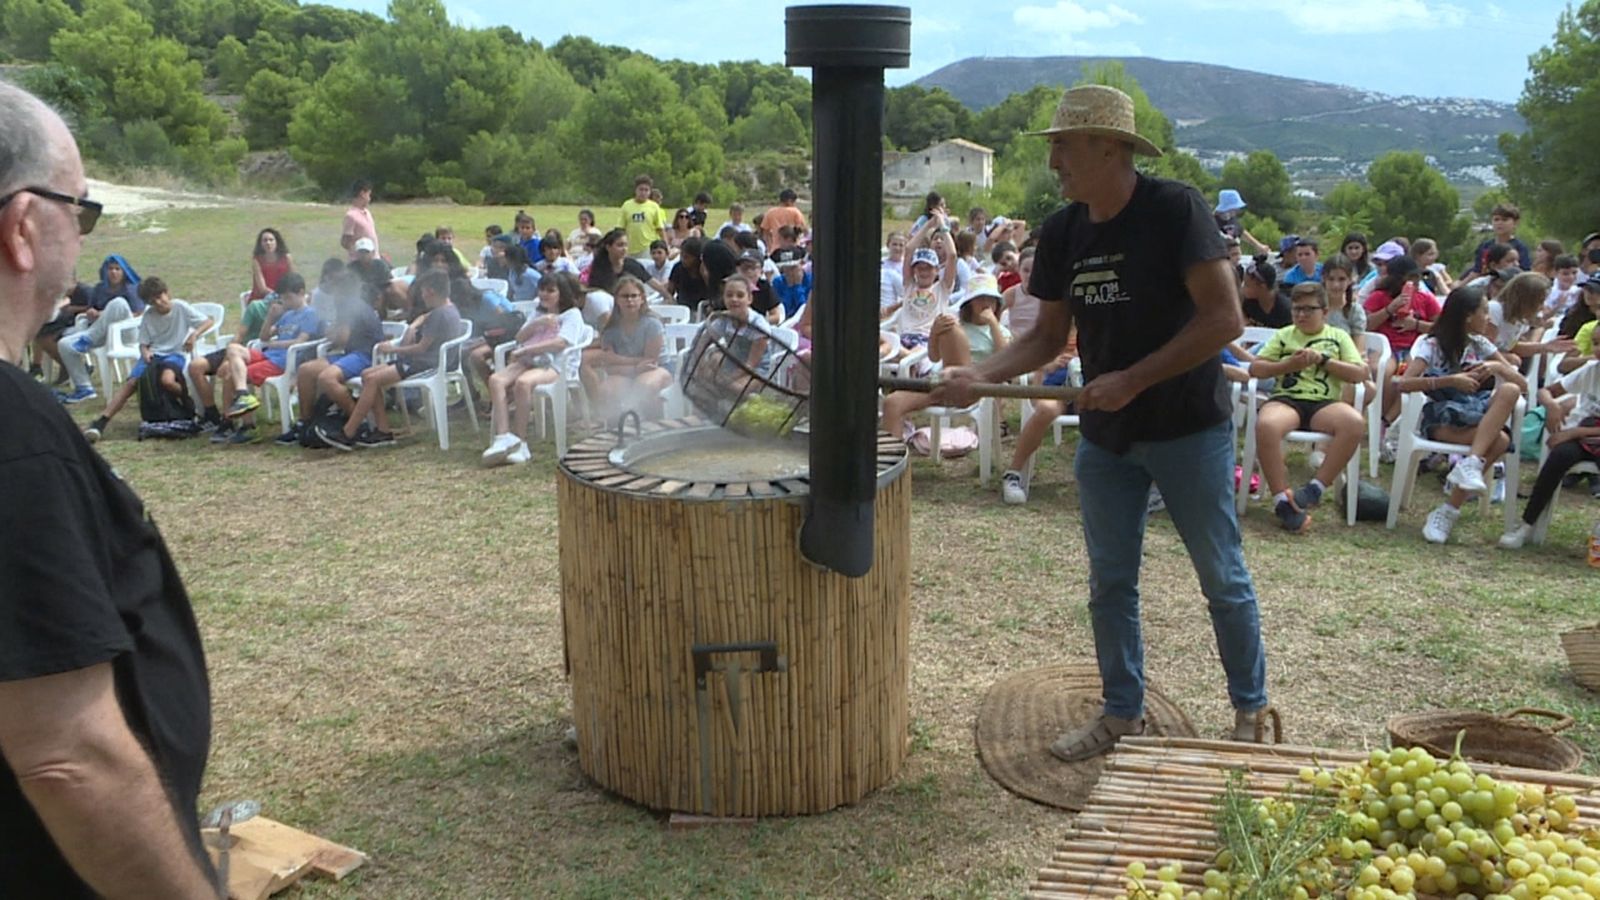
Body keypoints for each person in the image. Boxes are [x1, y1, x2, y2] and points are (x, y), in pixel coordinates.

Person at [940, 85, 1269, 759]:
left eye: (1064, 144)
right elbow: (1044, 337)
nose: (1055, 159)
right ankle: (1123, 711)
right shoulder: (1063, 232)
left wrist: (1133, 378)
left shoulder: (1175, 209)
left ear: (1108, 147)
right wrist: (981, 377)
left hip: (1187, 428)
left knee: (1221, 576)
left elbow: (1224, 320)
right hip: (1108, 439)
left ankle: (1251, 711)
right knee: (1110, 582)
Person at [0, 78, 216, 900]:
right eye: (80, 213)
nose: (82, 241)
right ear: (25, 226)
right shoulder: (9, 429)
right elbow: (67, 757)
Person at [1397, 284, 1526, 543]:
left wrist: (1495, 365)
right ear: (1468, 316)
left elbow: (1522, 385)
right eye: (1484, 312)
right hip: (1442, 417)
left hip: (1475, 414)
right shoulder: (1431, 345)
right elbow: (1400, 383)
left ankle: (1467, 471)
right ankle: (1450, 505)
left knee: (1510, 389)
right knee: (1499, 440)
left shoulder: (1480, 344)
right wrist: (1449, 381)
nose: (1488, 318)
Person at [1246, 282, 1369, 532]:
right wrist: (1286, 366)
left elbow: (1360, 373)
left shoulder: (1338, 336)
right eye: (1296, 309)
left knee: (1354, 423)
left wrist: (1324, 360)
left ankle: (1315, 488)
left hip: (1324, 403)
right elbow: (1256, 368)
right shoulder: (1284, 335)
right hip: (1287, 399)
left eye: (1308, 309)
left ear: (1324, 312)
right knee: (1267, 425)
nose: (1301, 315)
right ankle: (1282, 500)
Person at [316, 269, 461, 451]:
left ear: (431, 291)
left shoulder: (439, 315)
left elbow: (420, 348)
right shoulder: (447, 309)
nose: (422, 296)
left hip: (425, 364)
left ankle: (349, 432)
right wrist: (415, 325)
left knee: (371, 378)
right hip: (422, 360)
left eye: (423, 291)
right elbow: (416, 340)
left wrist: (393, 349)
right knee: (367, 374)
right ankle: (382, 431)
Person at [82, 277, 213, 442]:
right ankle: (101, 421)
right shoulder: (149, 316)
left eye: (160, 297)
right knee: (131, 383)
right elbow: (143, 343)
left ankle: (189, 400)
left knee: (167, 381)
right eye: (153, 301)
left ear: (167, 293)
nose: (158, 303)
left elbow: (208, 321)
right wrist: (144, 353)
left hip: (175, 353)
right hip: (154, 354)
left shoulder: (180, 307)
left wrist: (194, 334)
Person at [881, 273, 1010, 438]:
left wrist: (993, 324)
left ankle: (954, 382)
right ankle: (896, 460)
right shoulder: (955, 324)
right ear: (969, 303)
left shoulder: (1000, 332)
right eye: (980, 298)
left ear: (997, 305)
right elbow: (934, 357)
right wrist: (934, 332)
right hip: (940, 383)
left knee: (952, 329)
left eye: (990, 300)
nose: (985, 304)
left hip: (973, 387)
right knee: (892, 403)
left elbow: (1004, 357)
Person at [482, 271, 586, 467]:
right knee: (496, 380)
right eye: (542, 290)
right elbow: (520, 337)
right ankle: (503, 436)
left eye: (550, 291)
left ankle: (522, 443)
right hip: (529, 360)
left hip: (555, 365)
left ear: (561, 293)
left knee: (523, 383)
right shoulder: (538, 313)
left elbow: (561, 343)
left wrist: (526, 350)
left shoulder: (572, 315)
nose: (544, 294)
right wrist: (537, 323)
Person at [275, 271, 385, 446]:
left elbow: (342, 337)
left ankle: (357, 422)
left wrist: (331, 333)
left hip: (365, 355)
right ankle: (306, 422)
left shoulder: (348, 304)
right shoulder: (349, 303)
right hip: (351, 353)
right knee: (306, 370)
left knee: (327, 378)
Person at [212, 271, 322, 445]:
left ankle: (243, 426)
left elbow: (300, 341)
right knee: (233, 349)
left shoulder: (310, 314)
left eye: (288, 298)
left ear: (301, 293)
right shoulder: (287, 314)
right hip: (269, 355)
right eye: (283, 298)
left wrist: (273, 345)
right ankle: (242, 395)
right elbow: (264, 337)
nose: (285, 302)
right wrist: (270, 317)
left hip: (283, 361)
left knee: (230, 374)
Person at [1500, 360, 1600, 548]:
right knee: (1559, 456)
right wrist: (1551, 404)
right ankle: (1527, 524)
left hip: (1584, 433)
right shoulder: (1592, 369)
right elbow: (1546, 391)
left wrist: (1574, 433)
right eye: (1595, 343)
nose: (1597, 349)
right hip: (1581, 435)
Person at [55, 253, 144, 403]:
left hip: (126, 334)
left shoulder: (133, 288)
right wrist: (91, 313)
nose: (113, 272)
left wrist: (104, 313)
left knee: (118, 303)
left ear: (124, 271)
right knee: (64, 344)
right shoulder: (99, 289)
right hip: (102, 333)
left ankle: (88, 339)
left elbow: (138, 313)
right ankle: (84, 388)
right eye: (110, 269)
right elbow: (90, 310)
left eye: (117, 269)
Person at [580, 275, 671, 422]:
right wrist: (634, 366)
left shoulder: (652, 324)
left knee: (645, 385)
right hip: (627, 371)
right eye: (625, 296)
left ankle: (651, 426)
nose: (630, 300)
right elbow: (609, 366)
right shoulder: (611, 328)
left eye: (634, 296)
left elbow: (650, 362)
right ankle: (616, 429)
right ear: (616, 299)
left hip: (659, 368)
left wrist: (620, 362)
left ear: (642, 298)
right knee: (607, 391)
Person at [1462, 203, 1532, 278]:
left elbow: (1524, 273)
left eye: (1504, 220)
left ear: (1515, 223)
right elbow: (1477, 271)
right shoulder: (1485, 246)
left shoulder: (1520, 248)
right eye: (1496, 219)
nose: (1499, 223)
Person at [619, 175, 668, 255]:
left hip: (648, 249)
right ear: (636, 190)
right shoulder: (627, 205)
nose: (643, 193)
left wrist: (666, 247)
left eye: (646, 190)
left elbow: (660, 229)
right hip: (630, 248)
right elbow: (621, 228)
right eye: (641, 190)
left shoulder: (654, 207)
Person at [1240, 259, 1290, 327]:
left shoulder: (1285, 310)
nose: (1242, 288)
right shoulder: (1248, 302)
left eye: (1247, 285)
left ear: (1262, 286)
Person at [249, 227, 294, 300]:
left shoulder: (287, 258)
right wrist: (278, 296)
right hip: (263, 298)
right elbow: (262, 289)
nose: (268, 243)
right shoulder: (257, 261)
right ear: (261, 244)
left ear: (277, 242)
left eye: (271, 240)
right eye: (265, 240)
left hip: (285, 297)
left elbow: (293, 280)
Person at [340, 178, 378, 260]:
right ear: (362, 194)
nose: (370, 198)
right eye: (369, 195)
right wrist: (360, 254)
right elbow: (345, 242)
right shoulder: (351, 216)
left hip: (373, 260)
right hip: (360, 263)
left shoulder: (367, 212)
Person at [770, 247, 812, 320]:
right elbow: (783, 309)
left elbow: (804, 309)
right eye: (786, 268)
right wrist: (789, 286)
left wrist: (797, 287)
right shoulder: (778, 282)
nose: (790, 272)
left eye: (793, 268)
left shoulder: (811, 280)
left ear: (801, 264)